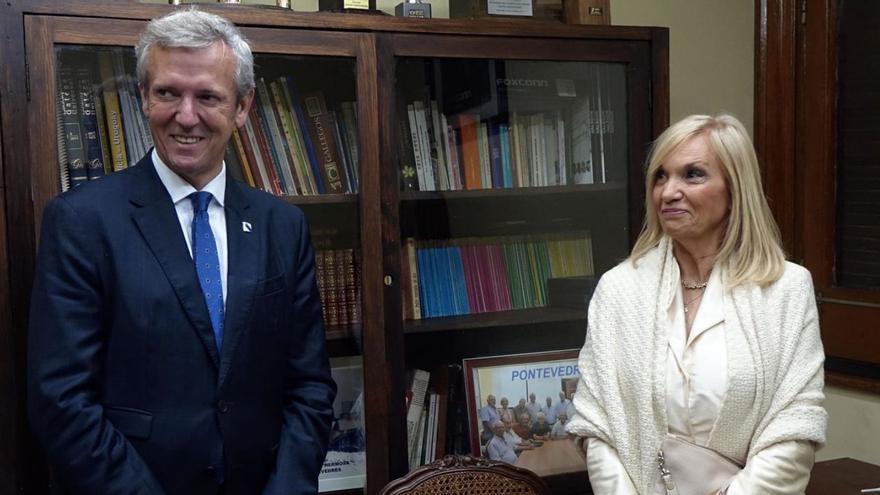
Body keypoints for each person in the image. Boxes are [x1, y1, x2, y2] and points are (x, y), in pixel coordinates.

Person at [27, 9, 337, 494]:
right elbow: (61, 400)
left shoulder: (283, 225)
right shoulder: (82, 221)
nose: (185, 115)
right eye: (168, 93)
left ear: (242, 107)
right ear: (143, 98)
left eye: (208, 97)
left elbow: (310, 386)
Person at [566, 114, 827, 494]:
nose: (668, 192)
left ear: (735, 188)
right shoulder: (618, 289)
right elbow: (597, 422)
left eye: (693, 174)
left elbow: (795, 422)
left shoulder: (785, 288)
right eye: (660, 176)